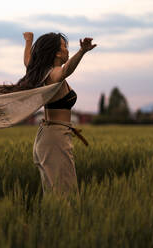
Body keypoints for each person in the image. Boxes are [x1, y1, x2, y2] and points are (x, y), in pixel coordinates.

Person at [22, 32, 96, 196]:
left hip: (49, 136)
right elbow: (65, 71)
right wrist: (82, 52)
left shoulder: (42, 72)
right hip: (55, 139)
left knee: (55, 195)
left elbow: (28, 61)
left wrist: (29, 41)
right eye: (65, 47)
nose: (67, 50)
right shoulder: (54, 74)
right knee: (65, 197)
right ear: (57, 52)